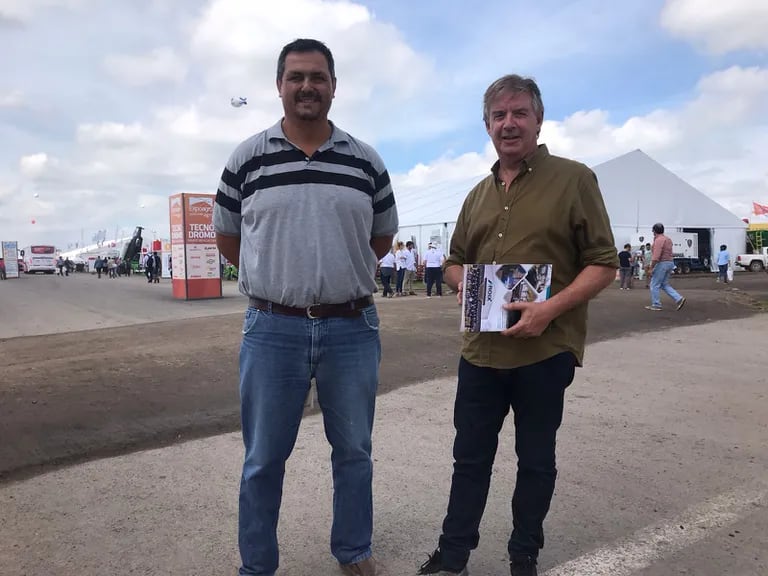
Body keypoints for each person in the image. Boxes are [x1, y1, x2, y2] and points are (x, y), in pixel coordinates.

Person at [417, 74, 618, 576]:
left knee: (535, 461)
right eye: (498, 115)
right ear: (487, 125)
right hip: (480, 354)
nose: (509, 123)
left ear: (538, 119)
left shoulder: (574, 179)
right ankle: (454, 553)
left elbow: (603, 263)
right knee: (469, 460)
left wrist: (549, 308)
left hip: (544, 352)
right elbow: (454, 262)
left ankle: (523, 553)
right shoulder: (476, 195)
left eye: (519, 113)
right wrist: (465, 282)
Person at [213, 38, 398, 576]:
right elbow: (230, 238)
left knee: (355, 452)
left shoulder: (365, 162)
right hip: (272, 327)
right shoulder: (247, 159)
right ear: (279, 86)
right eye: (296, 77)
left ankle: (353, 552)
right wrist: (277, 277)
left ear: (334, 86)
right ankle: (257, 566)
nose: (307, 87)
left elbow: (380, 237)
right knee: (263, 460)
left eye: (318, 77)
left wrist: (335, 272)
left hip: (352, 327)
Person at [645, 223, 686, 311]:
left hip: (662, 263)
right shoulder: (668, 239)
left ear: (654, 231)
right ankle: (678, 298)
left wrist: (651, 267)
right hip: (670, 262)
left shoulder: (658, 240)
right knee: (664, 284)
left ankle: (656, 304)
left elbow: (656, 256)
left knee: (654, 284)